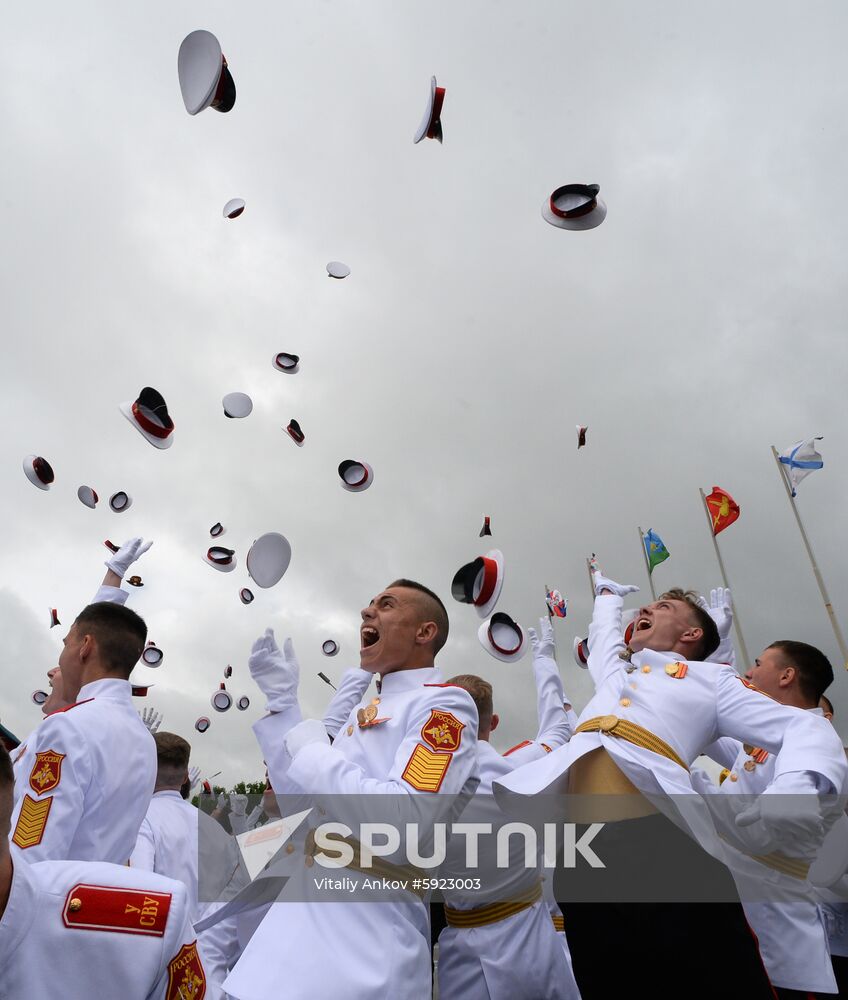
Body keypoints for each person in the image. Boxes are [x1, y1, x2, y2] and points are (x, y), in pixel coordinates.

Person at [494, 573, 847, 999]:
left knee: (708, 982)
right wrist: (605, 597)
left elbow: (804, 726)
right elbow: (604, 640)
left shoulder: (710, 682)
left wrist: (795, 785)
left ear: (691, 633)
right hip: (582, 859)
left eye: (663, 607)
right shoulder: (613, 676)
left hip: (662, 849)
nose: (645, 609)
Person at [219, 579, 480, 1000]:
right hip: (289, 934)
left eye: (387, 605)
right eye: (369, 604)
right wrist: (284, 707)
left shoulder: (445, 706)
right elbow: (302, 807)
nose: (367, 611)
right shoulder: (366, 711)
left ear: (424, 632)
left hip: (362, 944)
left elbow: (402, 822)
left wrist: (313, 749)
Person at [436, 615, 578, 1000]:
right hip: (533, 936)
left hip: (460, 947)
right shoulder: (521, 765)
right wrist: (544, 658)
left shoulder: (415, 780)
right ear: (493, 721)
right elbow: (557, 731)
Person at [0, 742, 206, 999]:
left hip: (132, 941)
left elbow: (139, 875)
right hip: (182, 955)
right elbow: (229, 905)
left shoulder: (146, 817)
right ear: (186, 776)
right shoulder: (210, 826)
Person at [699, 640, 840, 997]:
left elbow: (762, 835)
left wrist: (697, 788)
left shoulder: (815, 745)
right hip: (751, 925)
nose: (749, 672)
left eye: (759, 663)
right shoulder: (774, 737)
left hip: (779, 941)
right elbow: (709, 726)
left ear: (786, 675)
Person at [9, 600, 156, 864]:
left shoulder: (68, 726)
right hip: (93, 897)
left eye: (66, 644)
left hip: (42, 900)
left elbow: (30, 853)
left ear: (85, 646)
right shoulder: (144, 739)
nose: (62, 656)